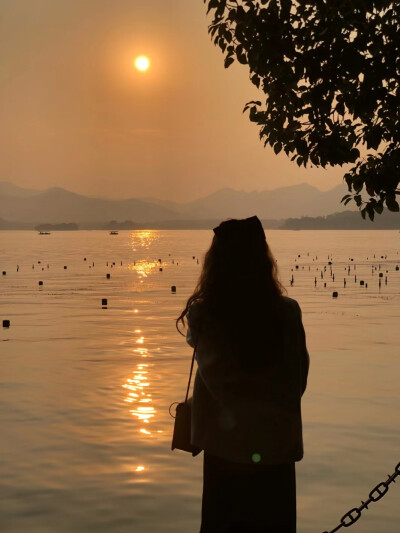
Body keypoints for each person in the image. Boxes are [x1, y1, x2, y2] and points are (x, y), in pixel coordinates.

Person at [176, 216, 309, 533]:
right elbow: (296, 384)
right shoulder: (287, 313)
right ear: (263, 261)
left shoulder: (205, 315)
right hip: (276, 450)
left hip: (225, 450)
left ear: (216, 264)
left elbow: (217, 376)